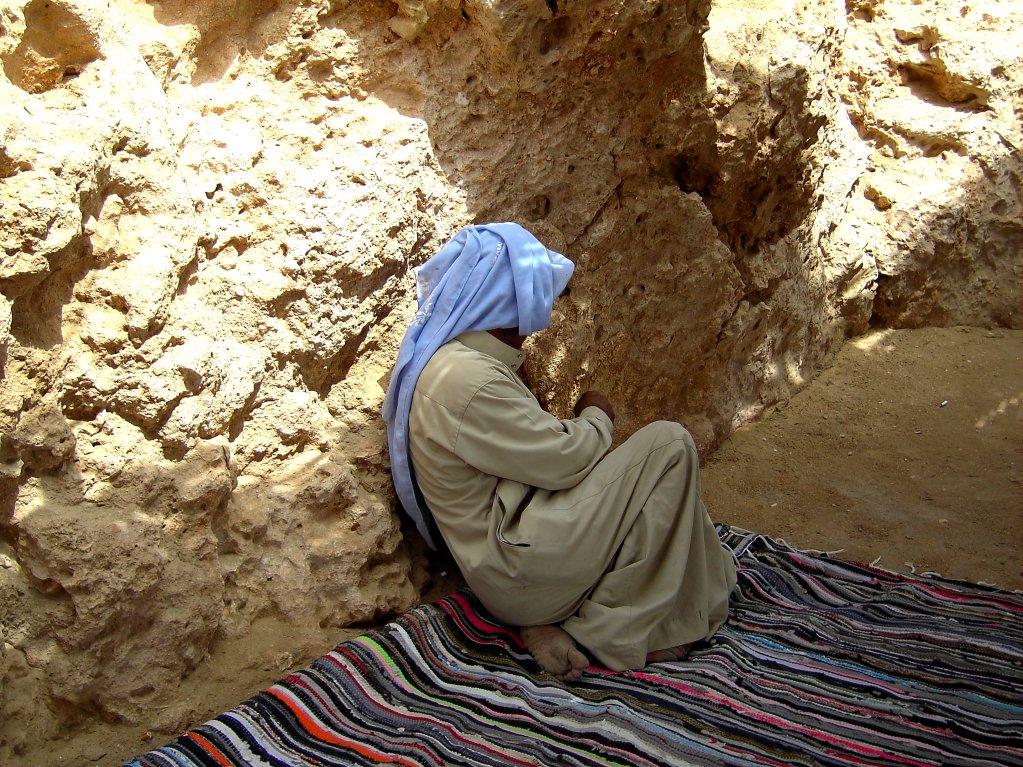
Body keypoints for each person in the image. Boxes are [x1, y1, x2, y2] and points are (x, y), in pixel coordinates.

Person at [383, 222, 736, 681]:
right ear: (508, 305)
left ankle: (574, 613)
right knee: (669, 445)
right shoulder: (469, 380)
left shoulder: (455, 363)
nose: (537, 320)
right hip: (521, 565)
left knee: (646, 492)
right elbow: (566, 460)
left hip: (513, 552)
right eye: (534, 304)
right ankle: (602, 630)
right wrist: (596, 416)